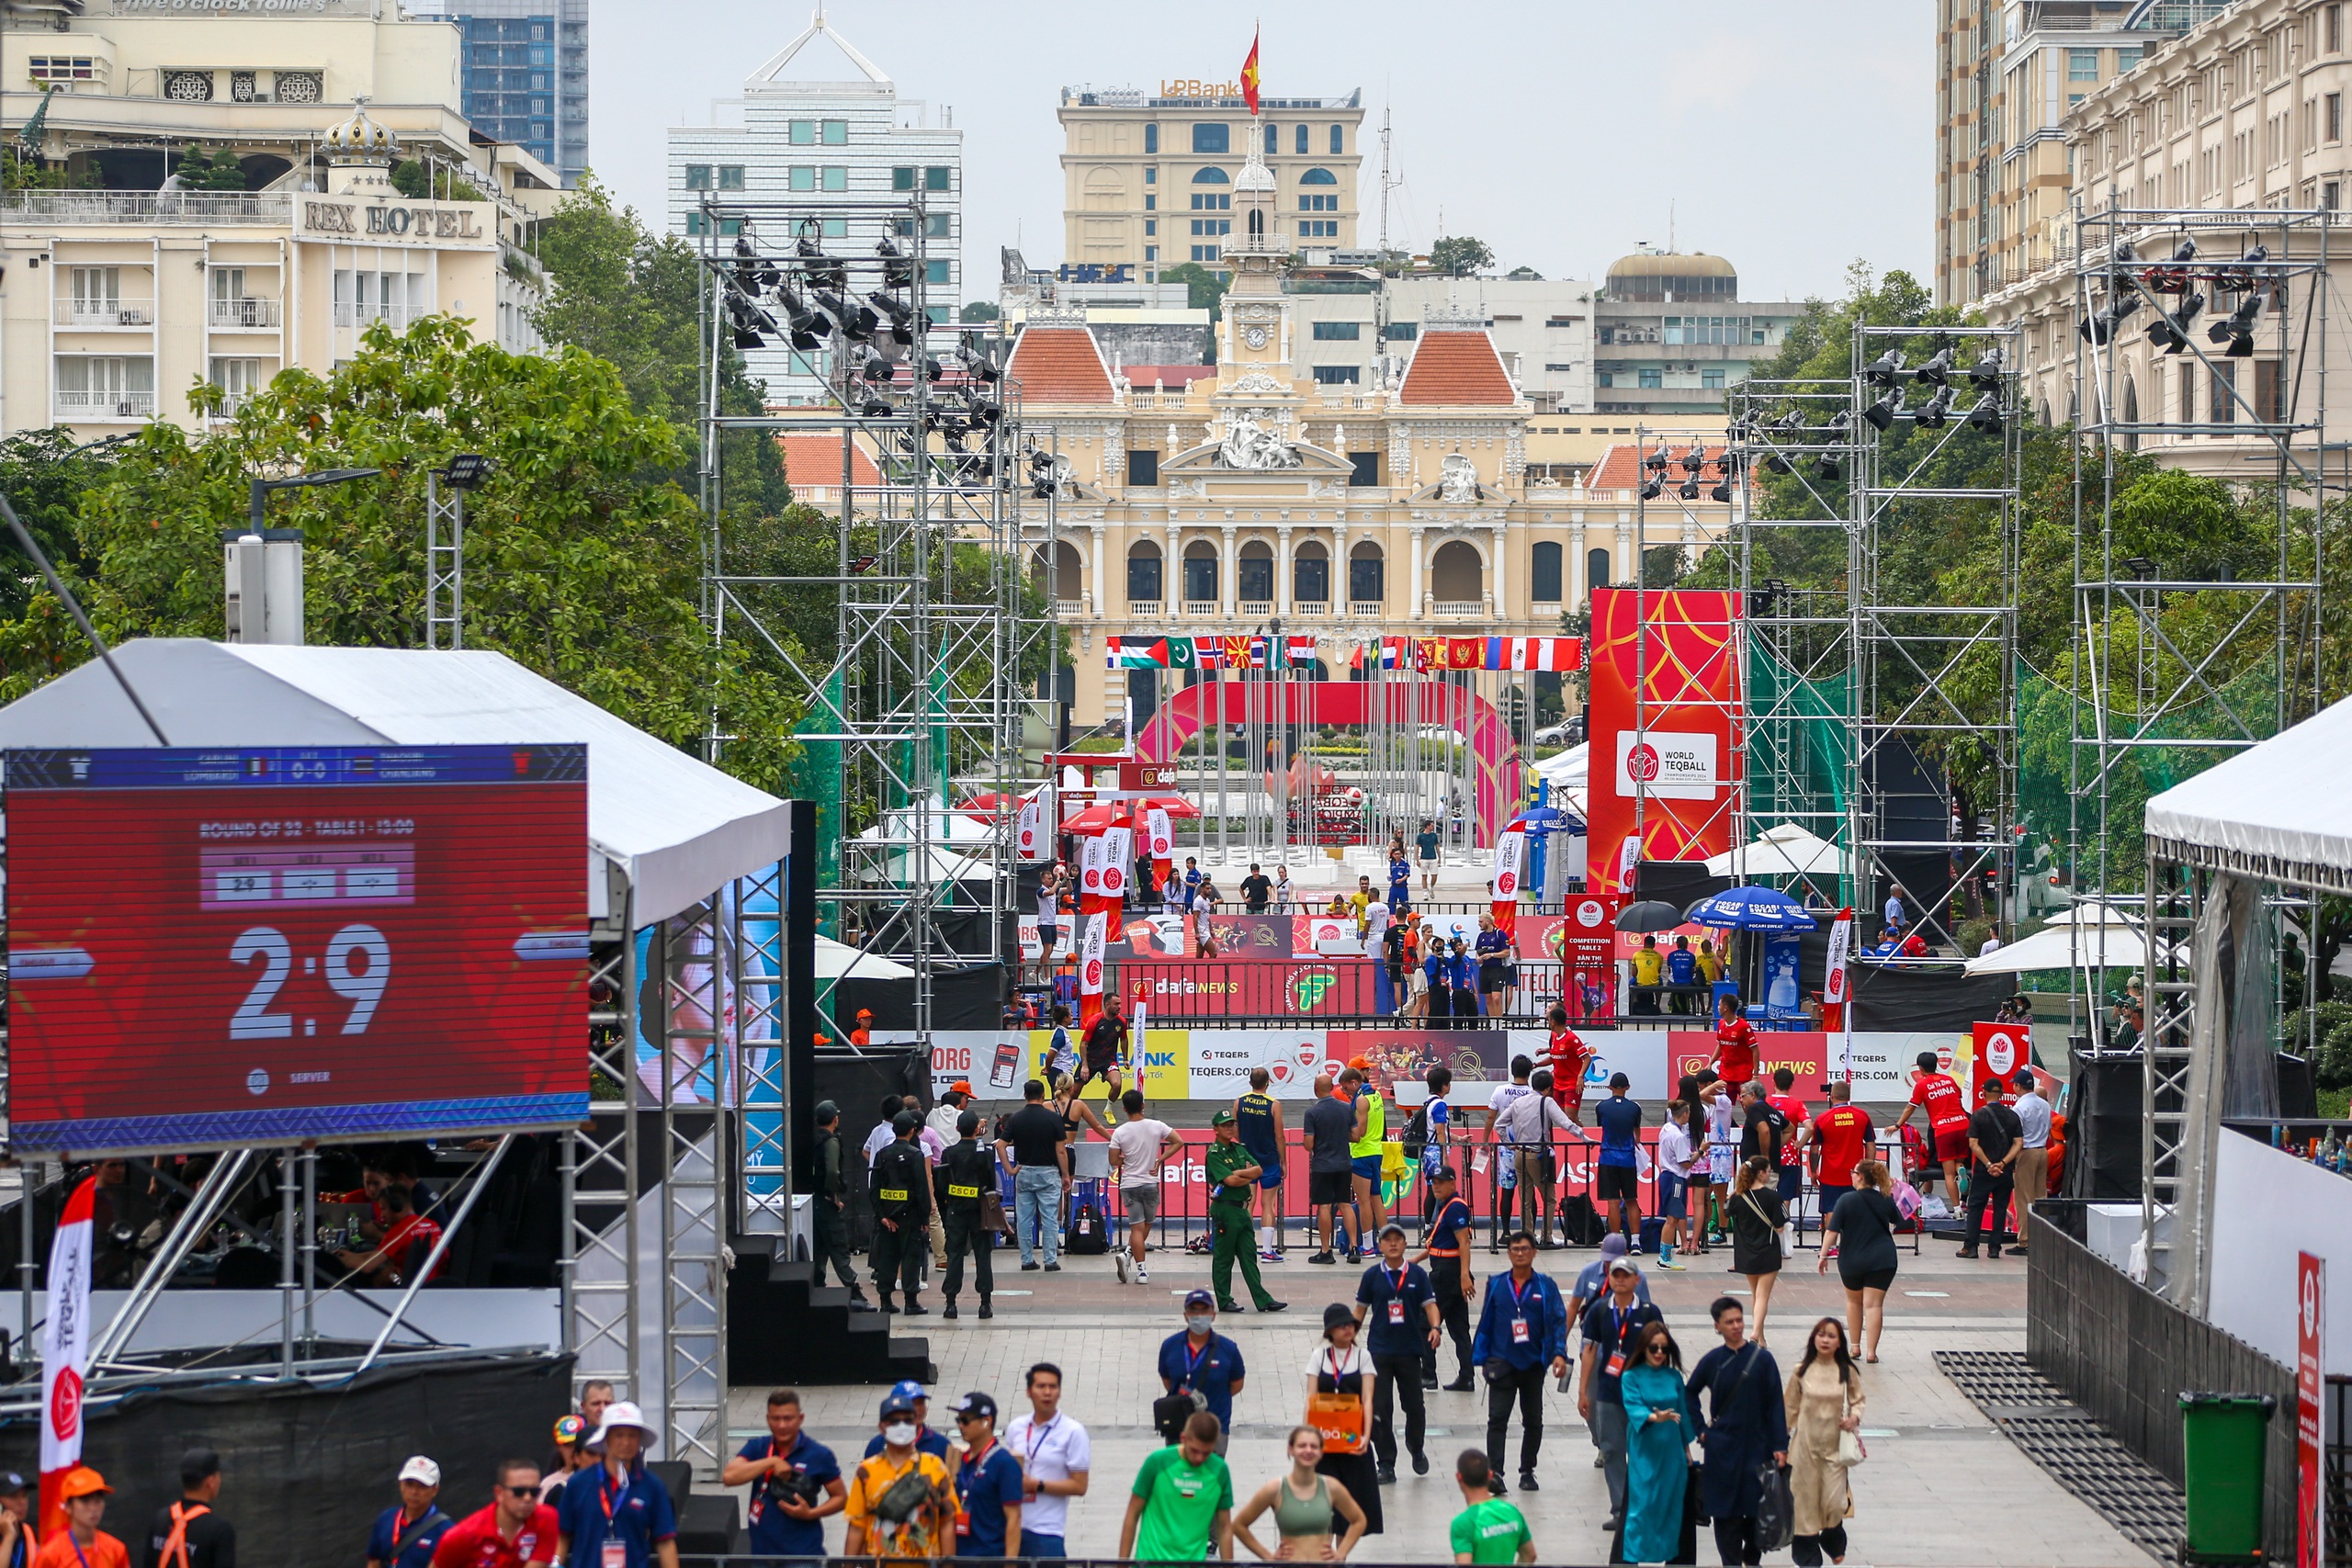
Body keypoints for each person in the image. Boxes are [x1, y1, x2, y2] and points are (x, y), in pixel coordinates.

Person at [1689, 1298, 1789, 1568]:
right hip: (1722, 1450)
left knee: (1757, 1512)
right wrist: (1700, 1430)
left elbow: (1776, 1404)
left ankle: (1751, 1560)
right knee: (1725, 1514)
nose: (1736, 1326)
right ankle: (1731, 1563)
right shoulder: (1713, 1361)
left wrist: (1781, 1445)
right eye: (1729, 1322)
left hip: (1758, 1448)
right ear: (1717, 1326)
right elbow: (1688, 1394)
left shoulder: (1763, 1360)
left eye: (1739, 1320)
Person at [1473, 1232, 1572, 1495]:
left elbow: (1557, 1320)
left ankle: (1527, 1470)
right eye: (1515, 1248)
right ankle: (1495, 1473)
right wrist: (1482, 1357)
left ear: (1534, 1252)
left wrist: (1558, 1353)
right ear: (1509, 1253)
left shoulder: (1545, 1286)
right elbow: (1487, 1321)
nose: (1519, 1253)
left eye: (1525, 1248)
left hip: (1533, 1364)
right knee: (1497, 1419)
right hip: (1502, 1362)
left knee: (1533, 1420)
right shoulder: (1496, 1283)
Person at [1577, 1255, 1665, 1529]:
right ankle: (1620, 1509)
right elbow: (1589, 1350)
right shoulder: (1600, 1310)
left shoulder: (1649, 1312)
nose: (1621, 1280)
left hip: (1643, 1394)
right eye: (1616, 1275)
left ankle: (1646, 1507)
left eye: (1626, 1275)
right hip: (1609, 1392)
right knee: (1613, 1449)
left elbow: (1662, 1352)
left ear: (1637, 1280)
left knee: (1644, 1451)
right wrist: (1583, 1391)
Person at [1356, 1223, 1441, 1482]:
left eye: (1398, 1239)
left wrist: (1435, 1327)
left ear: (1405, 1245)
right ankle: (1386, 1462)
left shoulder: (1417, 1275)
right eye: (1387, 1240)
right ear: (1380, 1246)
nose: (1393, 1244)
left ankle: (1416, 1447)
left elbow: (1431, 1306)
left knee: (1414, 1406)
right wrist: (1346, 1340)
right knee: (1380, 1407)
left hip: (1409, 1350)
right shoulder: (1372, 1276)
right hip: (1379, 1351)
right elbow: (1359, 1311)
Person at [722, 1390, 843, 1560]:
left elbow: (840, 1497)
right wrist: (771, 1462)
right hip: (761, 1553)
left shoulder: (819, 1454)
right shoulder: (758, 1447)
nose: (782, 1425)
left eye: (788, 1418)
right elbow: (729, 1477)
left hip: (802, 1554)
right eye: (775, 1418)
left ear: (800, 1419)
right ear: (767, 1419)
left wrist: (811, 1513)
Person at [554, 1402, 677, 1568]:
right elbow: (562, 1535)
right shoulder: (578, 1483)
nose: (626, 1442)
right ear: (606, 1438)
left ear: (640, 1439)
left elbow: (665, 1543)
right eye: (619, 1435)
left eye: (632, 1435)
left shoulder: (652, 1486)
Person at [1785, 1318, 1867, 1568]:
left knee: (1834, 1504)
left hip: (1835, 1449)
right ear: (1813, 1339)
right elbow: (1788, 1408)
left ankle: (1833, 1540)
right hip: (1804, 1449)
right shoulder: (1801, 1370)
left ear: (1839, 1342)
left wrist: (1854, 1417)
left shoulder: (1846, 1371)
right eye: (1820, 1334)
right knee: (1805, 1505)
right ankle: (1808, 1559)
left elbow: (1858, 1400)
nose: (1825, 1339)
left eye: (1831, 1336)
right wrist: (1779, 1444)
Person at [1617, 1322, 1700, 1566]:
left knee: (1671, 1509)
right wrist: (1656, 1417)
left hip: (1672, 1454)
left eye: (1664, 1348)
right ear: (1643, 1348)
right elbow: (1633, 1407)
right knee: (1641, 1508)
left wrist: (1687, 1451)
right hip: (1644, 1452)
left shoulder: (1674, 1376)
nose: (1659, 1353)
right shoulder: (1631, 1376)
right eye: (1654, 1347)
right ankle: (1632, 1558)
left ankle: (1671, 1557)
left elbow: (1683, 1414)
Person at [1300, 1304, 1385, 1541]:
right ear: (1330, 1331)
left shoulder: (1363, 1356)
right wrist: (1307, 1438)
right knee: (1323, 1503)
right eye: (1341, 1326)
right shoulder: (1319, 1356)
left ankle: (1341, 1558)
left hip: (1351, 1438)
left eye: (1350, 1325)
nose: (1347, 1329)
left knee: (1350, 1503)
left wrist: (1366, 1436)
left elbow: (1368, 1399)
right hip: (1325, 1440)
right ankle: (1325, 1556)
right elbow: (1310, 1399)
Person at [1231, 1427, 1368, 1562]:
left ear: (1321, 1452)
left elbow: (1359, 1520)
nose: (1308, 1450)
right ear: (1291, 1449)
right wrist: (1268, 1557)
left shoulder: (1331, 1487)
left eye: (1314, 1446)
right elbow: (1239, 1525)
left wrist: (1340, 1554)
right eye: (1302, 1446)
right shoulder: (1275, 1489)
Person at [842, 1392, 954, 1560]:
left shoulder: (935, 1466)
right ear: (882, 1427)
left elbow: (947, 1522)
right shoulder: (866, 1471)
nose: (902, 1425)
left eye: (908, 1420)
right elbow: (857, 1525)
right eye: (894, 1421)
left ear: (916, 1422)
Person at [1120, 1411, 1234, 1562]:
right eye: (1194, 1450)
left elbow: (1224, 1527)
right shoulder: (1157, 1463)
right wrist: (1121, 1563)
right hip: (1151, 1562)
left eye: (1206, 1453)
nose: (1199, 1458)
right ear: (1183, 1439)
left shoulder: (1219, 1471)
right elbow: (1132, 1514)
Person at [1818, 1160, 1902, 1364]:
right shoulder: (1885, 1198)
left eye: (1853, 1172)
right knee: (1874, 1306)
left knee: (1853, 1301)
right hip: (1883, 1258)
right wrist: (1890, 1190)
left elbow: (1832, 1231)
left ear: (1861, 1177)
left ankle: (1854, 1348)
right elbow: (1900, 1219)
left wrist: (1823, 1255)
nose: (1851, 1175)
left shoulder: (1846, 1200)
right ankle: (1871, 1352)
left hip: (1852, 1258)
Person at [1004, 1363, 1091, 1559]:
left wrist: (1037, 1485)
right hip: (1013, 1525)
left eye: (1053, 1387)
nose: (1047, 1392)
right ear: (1029, 1391)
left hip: (1048, 1531)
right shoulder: (1016, 1427)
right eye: (1041, 1386)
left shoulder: (1073, 1431)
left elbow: (1079, 1486)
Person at [1206, 1109, 1288, 1313]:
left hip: (1242, 1209)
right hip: (1226, 1209)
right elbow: (1230, 1181)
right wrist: (1241, 1176)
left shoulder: (1239, 1149)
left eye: (1232, 1124)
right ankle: (1224, 1300)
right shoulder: (1214, 1154)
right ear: (1215, 1129)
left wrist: (1239, 1173)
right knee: (1224, 1258)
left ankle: (1262, 1299)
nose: (1230, 1128)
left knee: (1249, 1255)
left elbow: (1258, 1170)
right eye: (1225, 1125)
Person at [1497, 1068, 1577, 1247]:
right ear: (1549, 1088)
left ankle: (1528, 1235)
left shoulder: (1518, 1102)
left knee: (1525, 1198)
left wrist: (1509, 1143)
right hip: (1538, 1155)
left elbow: (1498, 1124)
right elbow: (1566, 1123)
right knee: (1549, 1198)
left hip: (1519, 1154)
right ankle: (1546, 1236)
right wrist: (1585, 1138)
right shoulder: (1547, 1102)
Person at [1110, 1090, 1182, 1285]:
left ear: (1124, 1109)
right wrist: (1160, 1160)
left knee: (1136, 1228)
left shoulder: (1119, 1132)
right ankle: (1132, 1260)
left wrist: (1126, 1160)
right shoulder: (1157, 1126)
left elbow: (1113, 1159)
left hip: (1129, 1184)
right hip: (1150, 1183)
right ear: (1143, 1105)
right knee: (1146, 1224)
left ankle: (1136, 1265)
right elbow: (1178, 1141)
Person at [1161, 1292, 1251, 1447]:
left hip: (1215, 1428)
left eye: (1204, 1311)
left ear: (1213, 1315)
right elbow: (1168, 1381)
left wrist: (1217, 1395)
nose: (1199, 1315)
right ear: (1185, 1315)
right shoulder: (1170, 1346)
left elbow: (1237, 1384)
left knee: (1211, 1471)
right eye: (1194, 1311)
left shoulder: (1228, 1349)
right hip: (1179, 1429)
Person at [427, 1461, 558, 1568]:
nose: (528, 1498)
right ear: (499, 1493)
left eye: (535, 1491)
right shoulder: (461, 1536)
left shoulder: (547, 1518)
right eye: (519, 1491)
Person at [997, 1078, 1069, 1272]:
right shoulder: (1053, 1118)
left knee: (1025, 1218)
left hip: (1024, 1171)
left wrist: (1010, 1170)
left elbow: (1000, 1145)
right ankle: (1050, 1260)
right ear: (1043, 1095)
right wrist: (1066, 1175)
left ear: (1025, 1095)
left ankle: (1027, 1260)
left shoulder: (1016, 1119)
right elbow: (1061, 1150)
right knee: (1049, 1218)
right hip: (1048, 1172)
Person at [808, 1100, 875, 1311]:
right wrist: (835, 1194)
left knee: (818, 1248)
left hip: (813, 1201)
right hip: (827, 1202)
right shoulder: (831, 1142)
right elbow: (832, 1173)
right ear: (835, 1119)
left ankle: (816, 1286)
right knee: (838, 1246)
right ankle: (853, 1289)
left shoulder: (812, 1139)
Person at [1418, 1168, 1477, 1391]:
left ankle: (1428, 1375)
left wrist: (1464, 1276)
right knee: (1459, 1328)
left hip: (1447, 1274)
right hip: (1447, 1269)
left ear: (1453, 1184)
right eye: (1434, 1182)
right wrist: (1414, 1261)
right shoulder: (1445, 1206)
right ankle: (1466, 1376)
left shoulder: (1455, 1207)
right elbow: (1439, 1244)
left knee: (1425, 1322)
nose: (1436, 1186)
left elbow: (1464, 1242)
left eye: (1441, 1182)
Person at [935, 1110, 999, 1319]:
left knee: (954, 1255)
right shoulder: (986, 1153)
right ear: (976, 1130)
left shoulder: (949, 1153)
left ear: (957, 1129)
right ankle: (985, 1304)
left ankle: (951, 1304)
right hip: (981, 1210)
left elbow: (942, 1184)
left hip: (956, 1210)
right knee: (983, 1255)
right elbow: (991, 1181)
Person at [945, 1393, 1023, 1558]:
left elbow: (1014, 1519)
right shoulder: (965, 1460)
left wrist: (1010, 1564)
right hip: (963, 1558)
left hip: (991, 1559)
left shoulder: (1004, 1463)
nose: (960, 1426)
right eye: (958, 1420)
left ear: (986, 1421)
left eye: (966, 1420)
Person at [869, 1109, 932, 1315]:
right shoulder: (916, 1155)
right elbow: (921, 1189)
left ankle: (885, 1300)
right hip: (911, 1216)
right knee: (911, 1257)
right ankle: (910, 1301)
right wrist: (924, 1217)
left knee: (887, 1257)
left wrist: (882, 1216)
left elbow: (874, 1188)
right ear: (913, 1130)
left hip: (887, 1218)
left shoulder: (882, 1155)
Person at [1893, 1050, 1970, 1205]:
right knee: (1958, 1163)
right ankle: (1962, 1179)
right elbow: (1958, 1101)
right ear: (1936, 1065)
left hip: (1944, 1130)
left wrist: (1897, 1125)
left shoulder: (1922, 1085)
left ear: (1920, 1069)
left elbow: (1910, 1108)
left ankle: (1957, 1209)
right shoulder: (1949, 1080)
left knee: (1948, 1175)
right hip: (1964, 1126)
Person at [1961, 1076, 2024, 1260]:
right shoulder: (2012, 1115)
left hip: (1983, 1170)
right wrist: (2003, 1163)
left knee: (1976, 1207)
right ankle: (1994, 1248)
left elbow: (1973, 1143)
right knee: (2000, 1207)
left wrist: (1989, 1164)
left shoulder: (1979, 1115)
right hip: (2005, 1171)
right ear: (2002, 1093)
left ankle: (1970, 1247)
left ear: (1983, 1093)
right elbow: (2018, 1143)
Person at [1728, 1156, 1788, 1344]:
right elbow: (1780, 1226)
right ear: (1760, 1173)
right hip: (1768, 1250)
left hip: (1745, 1252)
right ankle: (1755, 1332)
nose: (1770, 1174)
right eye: (1768, 1171)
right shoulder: (1773, 1197)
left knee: (1755, 1294)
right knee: (1763, 1296)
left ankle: (1760, 1337)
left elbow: (1726, 1212)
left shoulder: (1738, 1197)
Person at [334, 1181, 441, 1288]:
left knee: (371, 1276)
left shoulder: (400, 1230)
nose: (382, 1215)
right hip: (435, 1282)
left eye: (383, 1209)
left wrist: (343, 1260)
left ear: (396, 1207)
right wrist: (355, 1256)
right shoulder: (433, 1224)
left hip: (411, 1286)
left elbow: (368, 1267)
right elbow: (382, 1253)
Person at [142, 1448, 232, 1568]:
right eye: (218, 1476)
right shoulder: (220, 1530)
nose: (220, 1481)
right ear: (210, 1482)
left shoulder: (159, 1519)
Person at [1482, 1056, 1538, 1247]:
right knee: (1529, 1192)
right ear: (1529, 1072)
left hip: (1506, 1148)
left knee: (1507, 1192)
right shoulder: (1533, 1093)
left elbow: (1491, 1118)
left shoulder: (1500, 1091)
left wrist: (1484, 1140)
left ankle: (1505, 1233)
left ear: (1511, 1070)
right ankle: (1529, 1233)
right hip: (1527, 1147)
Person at [1801, 1080, 1874, 1223]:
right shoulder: (1862, 1116)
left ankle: (1831, 1245)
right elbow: (1870, 1145)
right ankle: (1852, 1243)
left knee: (1830, 1210)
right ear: (1848, 1096)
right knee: (1855, 1211)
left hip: (1831, 1175)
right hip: (1856, 1175)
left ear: (1832, 1096)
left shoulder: (1823, 1119)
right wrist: (1868, 1168)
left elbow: (1814, 1149)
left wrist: (1814, 1171)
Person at [1303, 1075, 1356, 1265]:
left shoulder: (1312, 1112)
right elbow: (1356, 1135)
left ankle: (1326, 1251)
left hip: (1323, 1165)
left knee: (1324, 1206)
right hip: (1344, 1163)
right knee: (1345, 1204)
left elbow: (1308, 1144)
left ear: (1316, 1088)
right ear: (1332, 1087)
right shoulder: (1346, 1108)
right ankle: (1354, 1248)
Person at [1235, 1069, 1289, 1258]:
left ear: (1250, 1083)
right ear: (1268, 1082)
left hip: (1247, 1161)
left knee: (1248, 1204)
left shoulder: (1239, 1101)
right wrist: (1283, 1161)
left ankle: (1246, 1250)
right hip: (1269, 1160)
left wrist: (1243, 1148)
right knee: (1268, 1205)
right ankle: (1267, 1251)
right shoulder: (1274, 1104)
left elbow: (1235, 1129)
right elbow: (1279, 1135)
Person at [1447, 1452, 1534, 1565]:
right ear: (1490, 1475)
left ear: (1459, 1477)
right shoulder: (1512, 1512)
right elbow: (1530, 1554)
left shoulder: (1463, 1523)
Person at [1591, 1072, 1644, 1248]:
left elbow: (1603, 1126)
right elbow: (1637, 1136)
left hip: (1608, 1157)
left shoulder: (1601, 1107)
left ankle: (1615, 1243)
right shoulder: (1635, 1108)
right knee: (1631, 1200)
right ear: (1627, 1087)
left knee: (1613, 1202)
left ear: (1610, 1087)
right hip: (1628, 1159)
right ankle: (1636, 1242)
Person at [1342, 1066, 1388, 1259]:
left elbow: (1359, 1133)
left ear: (1354, 1083)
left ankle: (1368, 1246)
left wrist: (1338, 1133)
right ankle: (1387, 1244)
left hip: (1361, 1154)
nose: (1345, 1092)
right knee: (1377, 1199)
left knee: (1363, 1201)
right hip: (1377, 1151)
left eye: (1346, 1088)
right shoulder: (1376, 1094)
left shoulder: (1361, 1099)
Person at [2012, 1069, 2052, 1250]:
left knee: (2023, 1199)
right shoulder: (2044, 1105)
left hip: (2026, 1153)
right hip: (2043, 1152)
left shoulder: (2019, 1108)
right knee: (2040, 1197)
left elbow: (2016, 1137)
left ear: (2018, 1086)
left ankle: (2025, 1241)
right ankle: (2042, 1237)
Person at [1655, 1100, 1694, 1271]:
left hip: (1667, 1175)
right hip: (1676, 1178)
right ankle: (1665, 1257)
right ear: (1684, 1114)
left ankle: (1665, 1256)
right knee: (1673, 1218)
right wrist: (1699, 1153)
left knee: (1672, 1218)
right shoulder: (1678, 1136)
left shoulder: (1666, 1129)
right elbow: (1684, 1163)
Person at [1767, 1067, 1810, 1210]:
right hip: (1789, 1156)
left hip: (1767, 1154)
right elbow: (1810, 1127)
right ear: (1791, 1085)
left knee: (1765, 1194)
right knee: (1785, 1198)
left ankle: (1767, 1228)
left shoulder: (1765, 1102)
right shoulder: (1797, 1104)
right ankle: (1782, 1228)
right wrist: (1800, 1144)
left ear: (1773, 1082)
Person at [1075, 993, 1130, 1100]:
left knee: (1117, 1084)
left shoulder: (1122, 1022)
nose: (1119, 1007)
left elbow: (1124, 1039)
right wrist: (1085, 1066)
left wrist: (1125, 1058)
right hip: (1091, 1060)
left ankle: (1108, 1110)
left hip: (1108, 1061)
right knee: (1074, 1092)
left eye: (1120, 1004)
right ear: (1107, 1005)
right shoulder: (1095, 1021)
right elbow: (1083, 1044)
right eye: (1116, 1004)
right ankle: (1066, 1114)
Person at [1713, 992, 1758, 1089]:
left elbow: (1755, 1050)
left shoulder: (1744, 1027)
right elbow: (1721, 1045)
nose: (1717, 1007)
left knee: (1746, 1102)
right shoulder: (1721, 1024)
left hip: (1743, 1074)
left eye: (1719, 1005)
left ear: (1726, 1008)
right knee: (1725, 1103)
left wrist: (1756, 1075)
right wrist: (1710, 1063)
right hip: (1725, 1074)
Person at [1475, 915, 1510, 1018]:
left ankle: (1499, 1022)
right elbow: (1478, 951)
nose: (1479, 924)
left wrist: (1492, 955)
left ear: (1488, 922)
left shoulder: (1500, 934)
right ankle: (1493, 1023)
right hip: (1484, 969)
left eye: (1481, 921)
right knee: (1488, 998)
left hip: (1497, 969)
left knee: (1496, 997)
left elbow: (1506, 952)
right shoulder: (1481, 936)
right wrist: (1478, 958)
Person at [0, 1472, 33, 1568]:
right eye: (13, 1496)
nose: (22, 1502)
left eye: (24, 1496)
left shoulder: (32, 1533)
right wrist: (9, 1537)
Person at [1666, 934, 1700, 1015]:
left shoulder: (1671, 955)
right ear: (1687, 944)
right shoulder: (1692, 956)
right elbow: (1692, 971)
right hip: (1687, 983)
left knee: (1671, 980)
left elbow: (1669, 971)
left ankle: (1673, 1003)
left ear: (1677, 944)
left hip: (1674, 983)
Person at [1629, 935, 1665, 1014]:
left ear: (1644, 944)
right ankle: (1657, 1005)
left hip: (1639, 983)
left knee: (1631, 982)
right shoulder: (1659, 956)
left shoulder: (1636, 954)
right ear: (1654, 944)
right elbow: (1658, 972)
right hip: (1654, 983)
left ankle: (1632, 1004)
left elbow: (1634, 974)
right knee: (1661, 980)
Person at [1418, 819, 1441, 892]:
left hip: (1433, 857)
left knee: (1435, 875)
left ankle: (1431, 886)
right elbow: (1416, 847)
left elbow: (1437, 846)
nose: (1433, 827)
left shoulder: (1434, 835)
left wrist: (1439, 858)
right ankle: (1425, 891)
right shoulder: (1421, 836)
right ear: (1427, 826)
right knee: (1424, 876)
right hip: (1424, 858)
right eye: (1432, 826)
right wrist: (1417, 859)